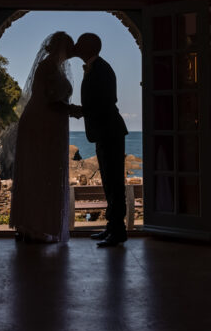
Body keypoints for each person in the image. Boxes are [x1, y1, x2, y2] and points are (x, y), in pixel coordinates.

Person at [9, 31, 80, 243]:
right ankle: (34, 227)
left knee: (42, 172)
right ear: (61, 48)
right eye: (69, 48)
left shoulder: (53, 67)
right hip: (41, 125)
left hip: (49, 123)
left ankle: (34, 225)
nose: (71, 52)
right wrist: (73, 109)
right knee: (40, 172)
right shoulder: (48, 67)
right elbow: (50, 100)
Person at [72, 33, 129, 247]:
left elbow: (106, 101)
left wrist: (80, 110)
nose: (76, 47)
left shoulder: (102, 68)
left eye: (80, 43)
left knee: (114, 182)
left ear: (89, 47)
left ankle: (118, 230)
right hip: (105, 131)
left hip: (110, 130)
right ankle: (112, 227)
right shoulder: (95, 67)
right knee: (108, 182)